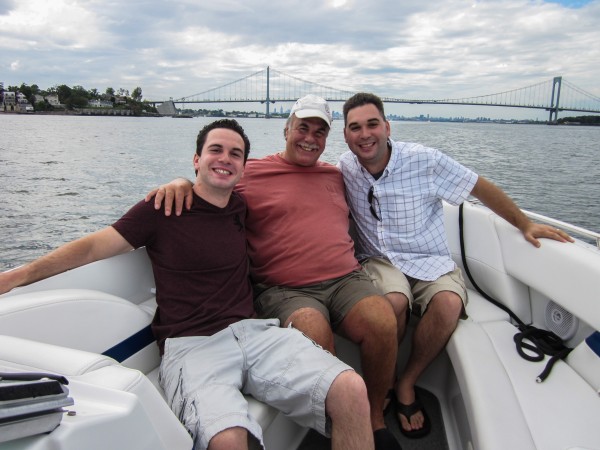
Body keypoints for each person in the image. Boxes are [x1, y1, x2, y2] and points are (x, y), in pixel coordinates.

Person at [0, 119, 376, 450]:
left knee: (351, 389)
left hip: (255, 333)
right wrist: (17, 276)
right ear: (196, 160)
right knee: (227, 439)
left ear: (244, 167)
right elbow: (92, 248)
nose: (225, 159)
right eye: (215, 150)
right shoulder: (161, 209)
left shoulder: (239, 207)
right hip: (193, 347)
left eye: (235, 153)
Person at [148, 96, 402, 450]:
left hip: (345, 278)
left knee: (383, 319)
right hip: (284, 288)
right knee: (313, 328)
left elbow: (379, 181)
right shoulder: (250, 172)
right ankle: (324, 424)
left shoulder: (336, 174)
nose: (310, 138)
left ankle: (373, 418)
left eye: (319, 132)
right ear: (286, 130)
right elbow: (211, 181)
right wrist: (179, 181)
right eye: (302, 128)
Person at [338, 92, 574, 438]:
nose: (365, 134)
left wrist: (524, 224)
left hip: (428, 258)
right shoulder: (344, 167)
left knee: (449, 303)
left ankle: (407, 382)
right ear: (345, 135)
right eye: (355, 127)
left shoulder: (425, 160)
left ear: (387, 127)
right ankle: (385, 380)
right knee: (393, 303)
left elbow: (480, 188)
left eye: (372, 124)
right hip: (380, 259)